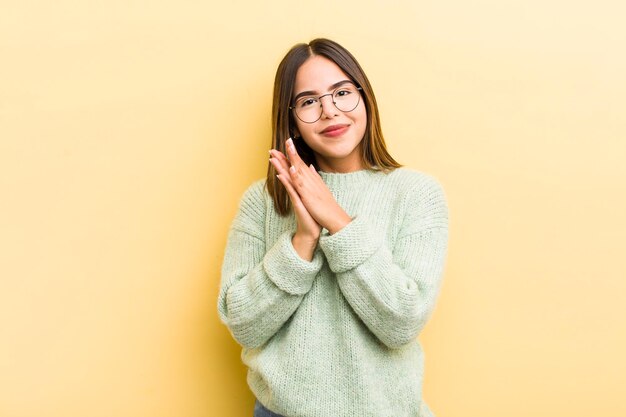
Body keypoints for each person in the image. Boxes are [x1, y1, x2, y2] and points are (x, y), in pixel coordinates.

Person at [217, 38, 449, 417]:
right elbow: (243, 325)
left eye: (341, 93)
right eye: (309, 101)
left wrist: (337, 222)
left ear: (364, 98)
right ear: (290, 117)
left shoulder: (416, 193)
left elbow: (402, 321)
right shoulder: (262, 201)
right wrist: (302, 240)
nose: (329, 111)